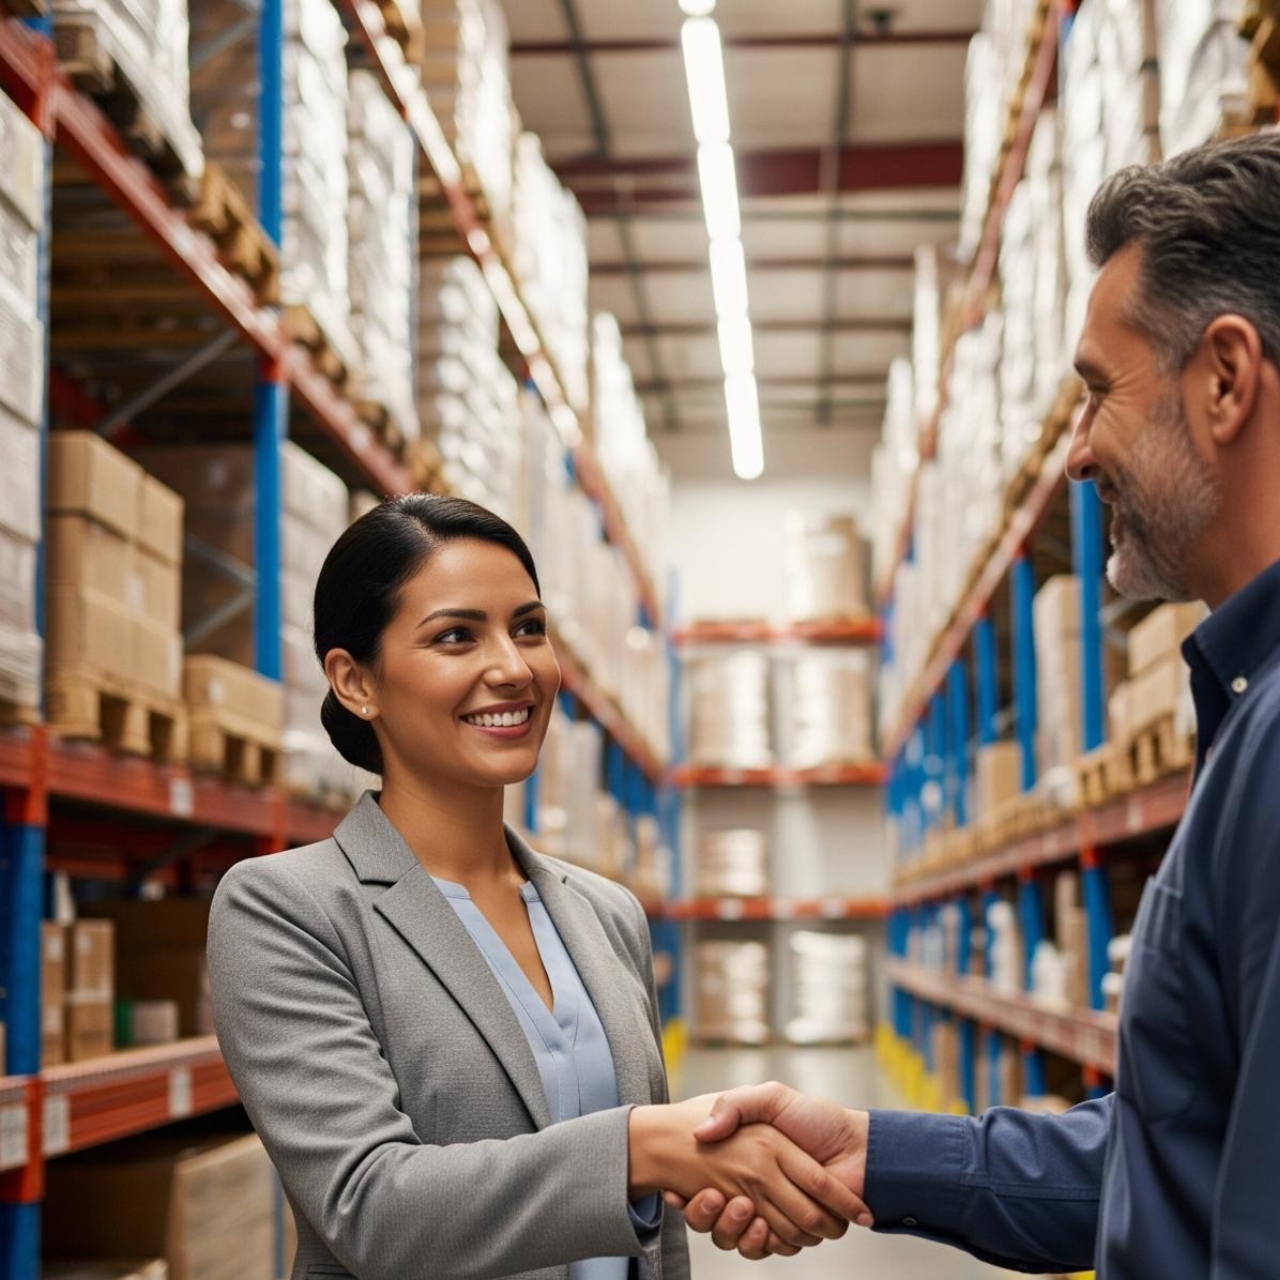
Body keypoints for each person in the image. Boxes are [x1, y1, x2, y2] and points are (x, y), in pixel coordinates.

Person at [672, 130, 1280, 1278]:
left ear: (1224, 378)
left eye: (1099, 392)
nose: (1075, 454)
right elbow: (1179, 1157)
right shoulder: (1248, 714)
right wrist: (871, 1151)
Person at [207, 494, 867, 1280]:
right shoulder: (289, 909)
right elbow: (371, 1209)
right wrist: (644, 1147)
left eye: (528, 628)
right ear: (355, 681)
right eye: (456, 636)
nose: (514, 668)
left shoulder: (604, 913)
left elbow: (657, 1242)